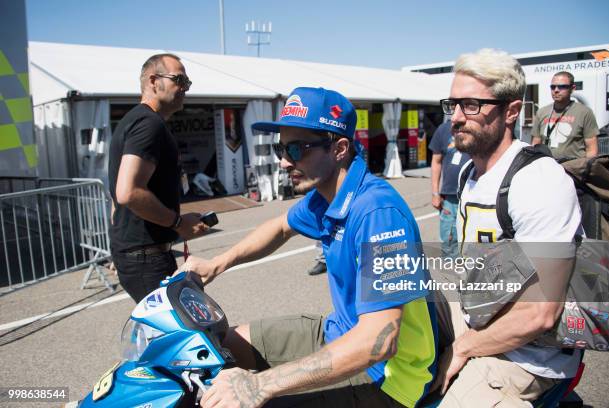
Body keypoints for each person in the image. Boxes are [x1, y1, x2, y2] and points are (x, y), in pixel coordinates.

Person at [180, 87, 437, 408]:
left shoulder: (378, 214)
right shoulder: (326, 195)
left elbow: (377, 342)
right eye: (281, 149)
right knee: (225, 344)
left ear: (340, 148)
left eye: (297, 149)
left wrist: (260, 385)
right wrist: (216, 264)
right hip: (341, 330)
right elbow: (280, 227)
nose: (285, 161)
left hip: (388, 377)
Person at [434, 49, 582, 407]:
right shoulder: (472, 173)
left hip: (529, 358)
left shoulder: (537, 181)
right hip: (480, 323)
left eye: (470, 105)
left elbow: (541, 312)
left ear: (511, 111)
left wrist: (462, 348)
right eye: (452, 104)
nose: (455, 117)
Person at [108, 53, 208, 302]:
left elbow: (116, 199)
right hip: (146, 259)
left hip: (142, 255)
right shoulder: (148, 124)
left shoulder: (136, 121)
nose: (185, 88)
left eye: (187, 83)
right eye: (179, 80)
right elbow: (127, 192)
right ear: (153, 81)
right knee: (182, 333)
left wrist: (121, 242)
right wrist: (178, 223)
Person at [531, 71, 599, 159]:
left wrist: (585, 169)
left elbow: (592, 150)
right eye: (553, 87)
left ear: (572, 88)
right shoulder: (542, 112)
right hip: (547, 167)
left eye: (562, 87)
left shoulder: (584, 112)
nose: (556, 90)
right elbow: (535, 144)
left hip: (572, 169)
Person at [428, 120, 470, 259]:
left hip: (472, 193)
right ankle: (450, 270)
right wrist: (435, 193)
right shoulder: (443, 129)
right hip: (449, 196)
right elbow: (436, 161)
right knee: (448, 235)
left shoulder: (475, 126)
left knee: (470, 235)